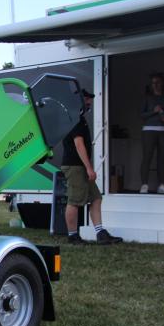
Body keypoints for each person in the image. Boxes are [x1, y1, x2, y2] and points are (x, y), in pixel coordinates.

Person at [61, 89, 122, 244]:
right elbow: (79, 144)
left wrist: (87, 167)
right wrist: (89, 168)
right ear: (78, 101)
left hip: (80, 166)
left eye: (90, 100)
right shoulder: (74, 118)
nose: (89, 102)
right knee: (75, 201)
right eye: (87, 99)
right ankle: (73, 236)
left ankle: (100, 234)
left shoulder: (79, 118)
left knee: (96, 198)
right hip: (74, 166)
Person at [140, 73, 164, 194]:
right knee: (147, 157)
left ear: (163, 83)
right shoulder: (147, 98)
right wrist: (154, 111)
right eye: (153, 83)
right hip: (149, 130)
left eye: (158, 82)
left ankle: (163, 185)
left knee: (163, 159)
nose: (155, 85)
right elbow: (142, 115)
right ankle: (144, 185)